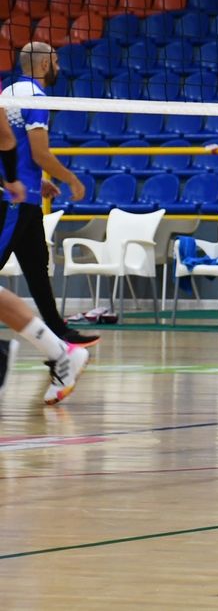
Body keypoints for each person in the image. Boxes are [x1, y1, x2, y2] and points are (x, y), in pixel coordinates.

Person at [0, 42, 91, 346]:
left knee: (37, 267)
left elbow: (10, 145)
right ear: (43, 66)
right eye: (56, 61)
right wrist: (72, 180)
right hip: (14, 200)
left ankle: (58, 331)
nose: (59, 67)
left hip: (25, 195)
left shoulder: (8, 92)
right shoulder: (37, 97)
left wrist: (40, 184)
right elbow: (40, 152)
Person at [0, 116, 89, 405]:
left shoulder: (21, 94)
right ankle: (60, 351)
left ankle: (56, 351)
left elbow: (6, 137)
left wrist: (15, 179)